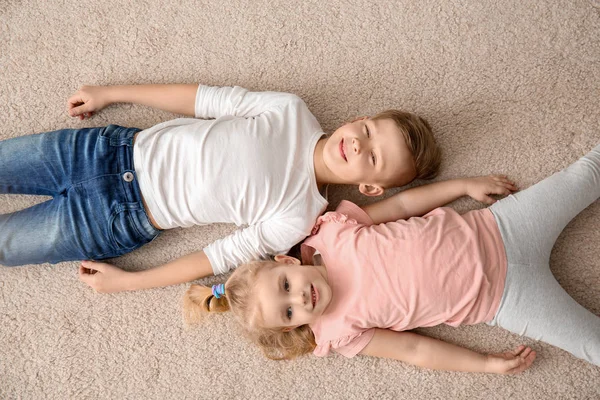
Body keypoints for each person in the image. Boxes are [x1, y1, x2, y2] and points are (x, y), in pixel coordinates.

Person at [184, 145, 600, 374]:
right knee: (591, 344)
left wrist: (462, 185)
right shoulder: (338, 331)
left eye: (286, 288)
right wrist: (484, 364)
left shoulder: (332, 232)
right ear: (295, 326)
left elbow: (404, 206)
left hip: (502, 227)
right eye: (289, 312)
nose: (301, 301)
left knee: (585, 176)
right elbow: (415, 350)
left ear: (288, 263)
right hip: (506, 299)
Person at [0, 83, 441, 293]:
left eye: (374, 157)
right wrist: (113, 93)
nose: (359, 142)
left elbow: (215, 257)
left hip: (114, 220)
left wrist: (132, 283)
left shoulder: (301, 214)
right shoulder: (291, 111)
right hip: (102, 151)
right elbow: (203, 100)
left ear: (369, 186)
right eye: (367, 128)